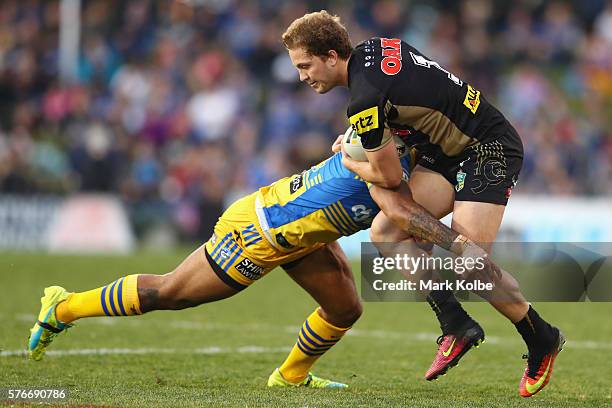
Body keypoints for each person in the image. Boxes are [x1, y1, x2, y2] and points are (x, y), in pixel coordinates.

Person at [29, 143, 491, 389]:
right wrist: (459, 246)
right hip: (261, 231)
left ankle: (289, 376)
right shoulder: (375, 153)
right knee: (170, 293)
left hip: (305, 235)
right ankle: (64, 307)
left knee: (346, 309)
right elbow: (398, 208)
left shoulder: (397, 143)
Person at [282, 10, 564, 397]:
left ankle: (541, 337)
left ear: (331, 56)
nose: (302, 76)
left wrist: (347, 158)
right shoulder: (375, 48)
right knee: (387, 231)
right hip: (446, 148)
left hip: (487, 146)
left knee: (469, 263)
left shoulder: (364, 98)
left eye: (305, 65)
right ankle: (455, 323)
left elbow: (388, 178)